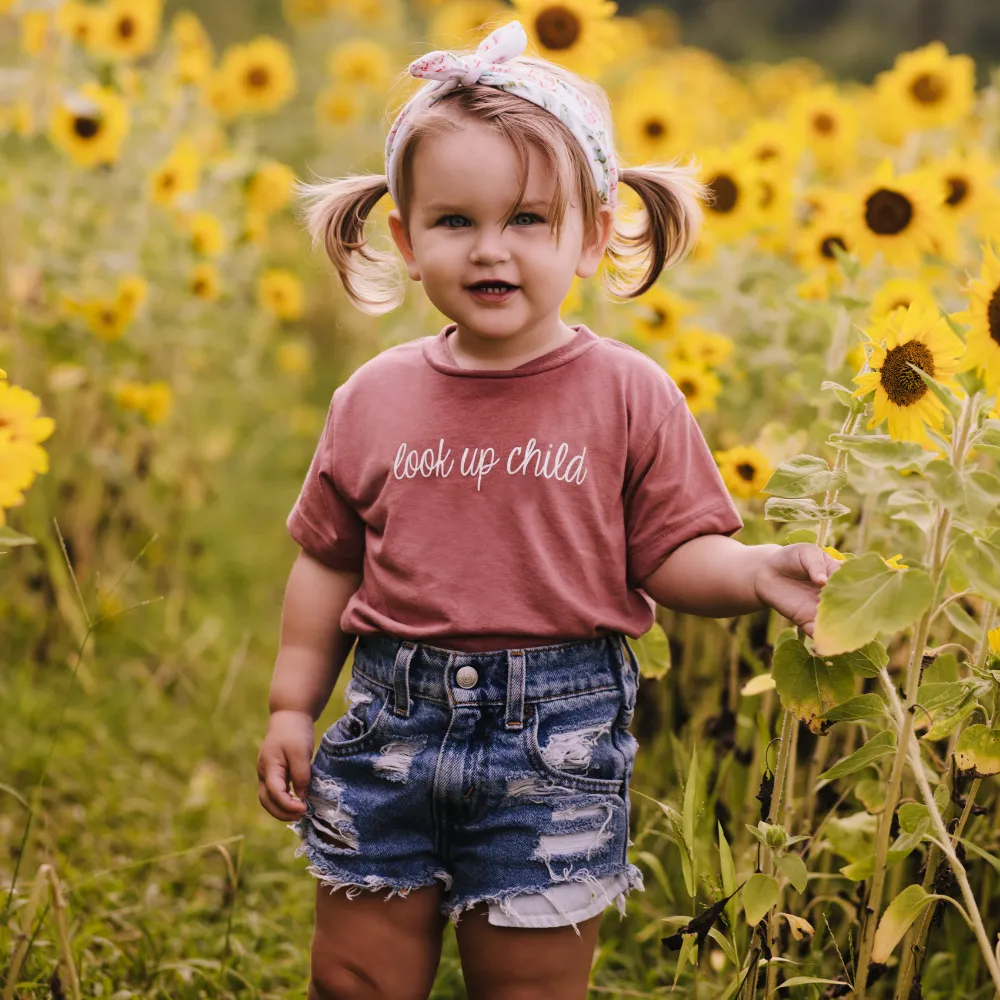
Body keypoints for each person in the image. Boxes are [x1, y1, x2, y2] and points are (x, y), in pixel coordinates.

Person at [256, 19, 840, 1000]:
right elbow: (328, 560)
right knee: (354, 970)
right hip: (389, 721)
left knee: (529, 979)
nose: (492, 250)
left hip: (557, 736)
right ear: (403, 236)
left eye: (529, 219)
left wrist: (754, 571)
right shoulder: (373, 397)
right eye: (454, 222)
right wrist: (288, 704)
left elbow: (670, 555)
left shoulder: (627, 393)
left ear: (592, 231)